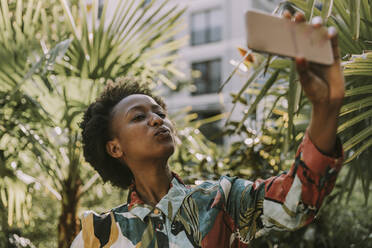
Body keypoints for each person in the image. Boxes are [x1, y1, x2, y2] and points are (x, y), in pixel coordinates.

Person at [71, 11, 344, 248]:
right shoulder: (97, 233)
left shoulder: (221, 200)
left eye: (160, 113)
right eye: (138, 117)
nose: (156, 120)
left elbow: (295, 203)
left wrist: (325, 108)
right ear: (115, 147)